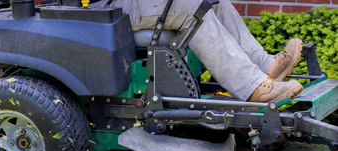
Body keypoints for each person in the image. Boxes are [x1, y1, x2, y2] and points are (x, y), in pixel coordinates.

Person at [106, 0, 304, 103]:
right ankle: (252, 89)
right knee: (194, 7)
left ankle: (266, 67)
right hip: (105, 7)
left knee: (217, 2)